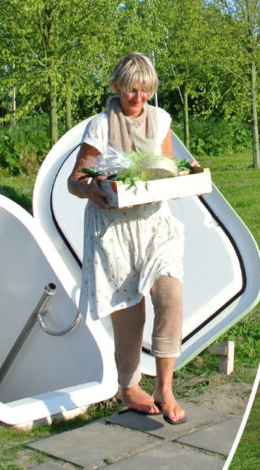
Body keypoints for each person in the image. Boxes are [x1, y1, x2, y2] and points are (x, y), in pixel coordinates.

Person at [68, 52, 199, 425]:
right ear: (117, 87)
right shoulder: (100, 125)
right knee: (129, 310)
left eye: (144, 91)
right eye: (130, 91)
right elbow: (76, 180)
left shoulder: (160, 122)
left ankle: (165, 388)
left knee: (170, 294)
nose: (137, 98)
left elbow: (169, 172)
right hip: (113, 226)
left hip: (154, 222)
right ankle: (129, 387)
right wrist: (93, 190)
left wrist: (187, 178)